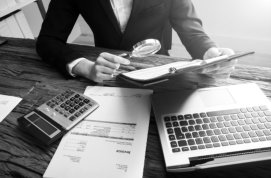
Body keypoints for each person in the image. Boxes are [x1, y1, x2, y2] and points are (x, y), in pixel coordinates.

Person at [36, 0, 235, 83]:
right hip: (105, 70)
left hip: (157, 68)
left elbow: (190, 28)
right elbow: (47, 40)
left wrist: (209, 52)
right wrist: (85, 68)